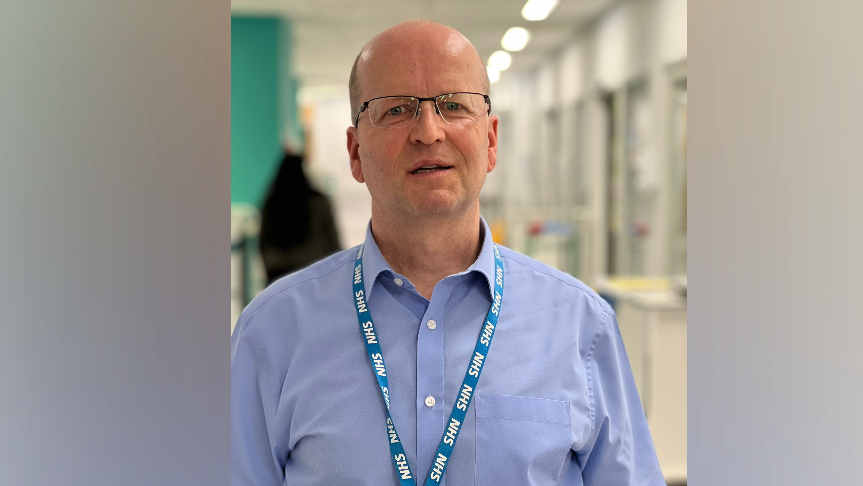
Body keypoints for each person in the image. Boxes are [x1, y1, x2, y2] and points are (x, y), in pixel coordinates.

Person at [232, 20, 665, 485]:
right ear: (355, 152)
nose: (428, 131)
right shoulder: (271, 333)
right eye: (396, 109)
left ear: (491, 140)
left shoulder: (582, 327)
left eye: (453, 106)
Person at [258, 152, 341, 285]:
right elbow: (332, 240)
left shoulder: (272, 203)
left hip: (276, 273)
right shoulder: (318, 202)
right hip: (312, 271)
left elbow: (262, 243)